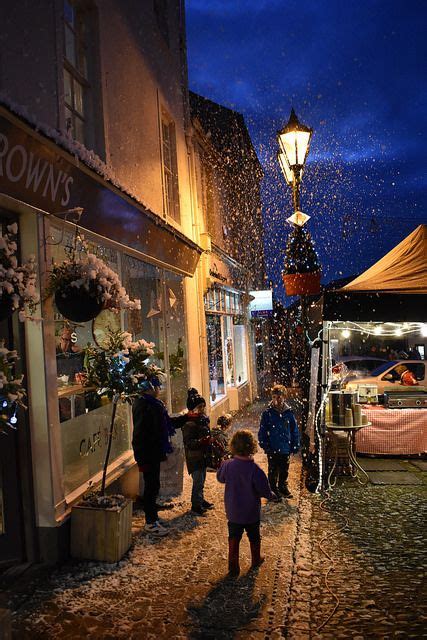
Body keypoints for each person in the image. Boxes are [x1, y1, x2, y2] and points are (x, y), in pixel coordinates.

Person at [217, 429, 277, 577]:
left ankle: (233, 565)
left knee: (234, 537)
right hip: (251, 512)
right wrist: (271, 495)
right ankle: (255, 559)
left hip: (233, 511)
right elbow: (264, 488)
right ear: (252, 447)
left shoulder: (228, 465)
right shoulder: (254, 469)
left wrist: (223, 464)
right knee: (254, 536)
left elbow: (220, 478)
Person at [132, 376, 177, 537]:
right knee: (151, 487)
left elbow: (164, 424)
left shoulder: (152, 405)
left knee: (154, 485)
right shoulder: (146, 406)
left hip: (152, 452)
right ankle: (150, 522)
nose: (159, 390)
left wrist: (185, 418)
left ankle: (153, 516)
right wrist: (141, 456)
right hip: (148, 453)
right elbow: (140, 433)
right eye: (157, 387)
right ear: (149, 389)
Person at [258, 385, 300, 499]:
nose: (277, 399)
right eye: (274, 397)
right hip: (272, 447)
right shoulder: (268, 413)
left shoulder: (288, 413)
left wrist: (295, 444)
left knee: (284, 469)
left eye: (279, 397)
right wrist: (265, 444)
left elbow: (294, 430)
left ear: (284, 397)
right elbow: (262, 430)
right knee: (272, 469)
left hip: (285, 447)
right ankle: (272, 488)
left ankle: (282, 486)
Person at [182, 388, 213, 515]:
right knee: (198, 481)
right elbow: (189, 443)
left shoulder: (202, 419)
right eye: (199, 407)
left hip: (202, 455)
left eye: (203, 407)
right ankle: (196, 505)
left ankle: (200, 500)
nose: (202, 409)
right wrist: (201, 441)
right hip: (194, 457)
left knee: (202, 479)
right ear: (192, 408)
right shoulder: (189, 423)